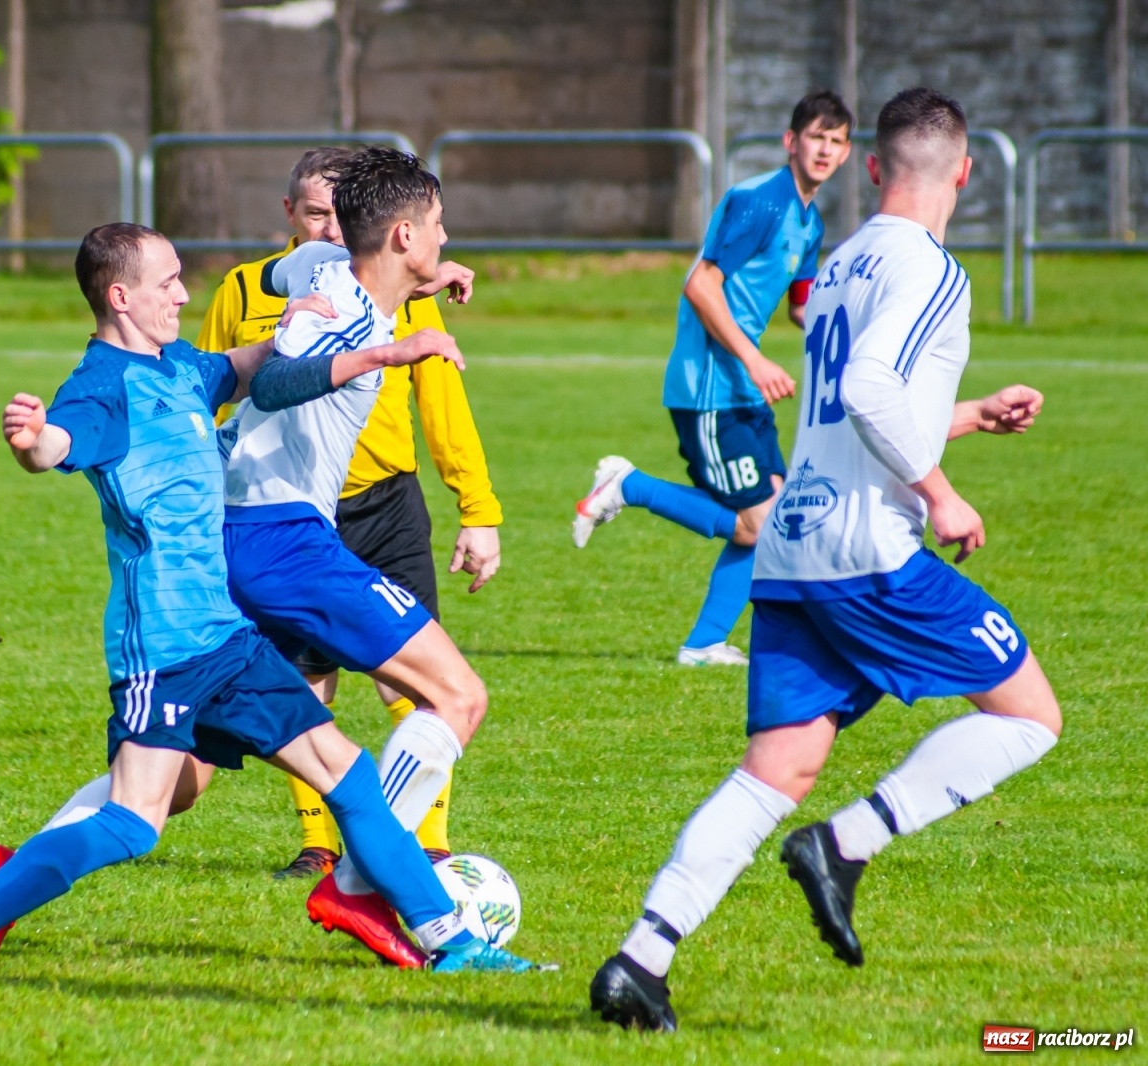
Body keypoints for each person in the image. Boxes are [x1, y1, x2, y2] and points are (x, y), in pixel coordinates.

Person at [0, 222, 520, 985]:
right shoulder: (100, 389)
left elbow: (253, 370)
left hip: (231, 640)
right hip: (166, 651)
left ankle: (454, 944)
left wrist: (347, 312)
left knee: (347, 778)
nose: (184, 293)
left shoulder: (180, 367)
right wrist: (33, 439)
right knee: (133, 822)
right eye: (168, 282)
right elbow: (56, 445)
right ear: (120, 297)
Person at [590, 88, 1060, 1032]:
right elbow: (875, 389)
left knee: (777, 767)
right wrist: (940, 491)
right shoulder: (932, 269)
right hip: (868, 550)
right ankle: (846, 846)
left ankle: (639, 962)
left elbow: (847, 407)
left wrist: (964, 416)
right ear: (965, 173)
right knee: (1031, 715)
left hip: (797, 547)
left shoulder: (841, 260)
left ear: (875, 166)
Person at [198, 146, 504, 879]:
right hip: (286, 542)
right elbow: (271, 387)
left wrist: (436, 277)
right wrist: (386, 356)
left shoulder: (316, 270)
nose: (446, 238)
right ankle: (371, 872)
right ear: (402, 235)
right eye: (438, 226)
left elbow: (277, 275)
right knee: (457, 693)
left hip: (241, 535)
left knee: (166, 784)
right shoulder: (347, 319)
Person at [573, 90, 853, 666]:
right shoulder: (759, 202)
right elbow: (701, 285)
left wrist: (856, 338)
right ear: (790, 141)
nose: (824, 149)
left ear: (847, 153)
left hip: (744, 387)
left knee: (771, 521)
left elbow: (803, 308)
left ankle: (703, 645)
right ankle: (629, 487)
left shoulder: (810, 219)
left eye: (836, 140)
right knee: (758, 525)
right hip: (710, 388)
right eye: (816, 137)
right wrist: (755, 359)